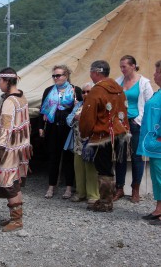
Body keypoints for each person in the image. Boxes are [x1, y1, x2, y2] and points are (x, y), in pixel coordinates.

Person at [79, 60, 130, 212]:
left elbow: (88, 117)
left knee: (103, 168)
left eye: (91, 72)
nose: (90, 74)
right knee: (110, 168)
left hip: (103, 135)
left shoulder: (97, 90)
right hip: (120, 134)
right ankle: (107, 200)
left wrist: (85, 132)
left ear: (96, 73)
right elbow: (124, 111)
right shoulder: (119, 88)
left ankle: (106, 202)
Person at [0, 68, 31, 232]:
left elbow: (6, 129)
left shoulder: (10, 102)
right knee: (15, 182)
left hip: (9, 148)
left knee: (10, 184)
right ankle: (15, 217)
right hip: (21, 147)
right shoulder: (22, 97)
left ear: (7, 81)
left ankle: (17, 221)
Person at [114, 55, 153, 202]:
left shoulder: (144, 83)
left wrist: (140, 121)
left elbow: (149, 103)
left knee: (137, 156)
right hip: (121, 122)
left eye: (124, 66)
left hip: (136, 122)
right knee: (120, 156)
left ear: (133, 66)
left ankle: (135, 188)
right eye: (121, 66)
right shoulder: (118, 81)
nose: (122, 69)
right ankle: (119, 188)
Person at [39, 65, 82, 199]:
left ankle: (69, 187)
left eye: (58, 75)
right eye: (54, 76)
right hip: (53, 126)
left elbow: (81, 108)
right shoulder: (48, 91)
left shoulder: (75, 90)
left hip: (68, 127)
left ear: (66, 76)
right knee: (53, 156)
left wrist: (76, 105)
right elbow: (43, 109)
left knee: (69, 157)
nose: (56, 78)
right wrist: (41, 126)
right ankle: (51, 185)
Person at [65, 83, 99, 208]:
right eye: (84, 92)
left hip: (91, 143)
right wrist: (75, 117)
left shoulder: (97, 105)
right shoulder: (79, 105)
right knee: (78, 169)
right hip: (78, 143)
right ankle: (81, 193)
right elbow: (68, 119)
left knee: (91, 170)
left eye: (88, 92)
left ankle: (93, 195)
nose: (85, 94)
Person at [137, 60, 161, 225]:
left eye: (157, 72)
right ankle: (159, 207)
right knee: (157, 176)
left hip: (159, 142)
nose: (154, 74)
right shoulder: (158, 93)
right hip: (153, 143)